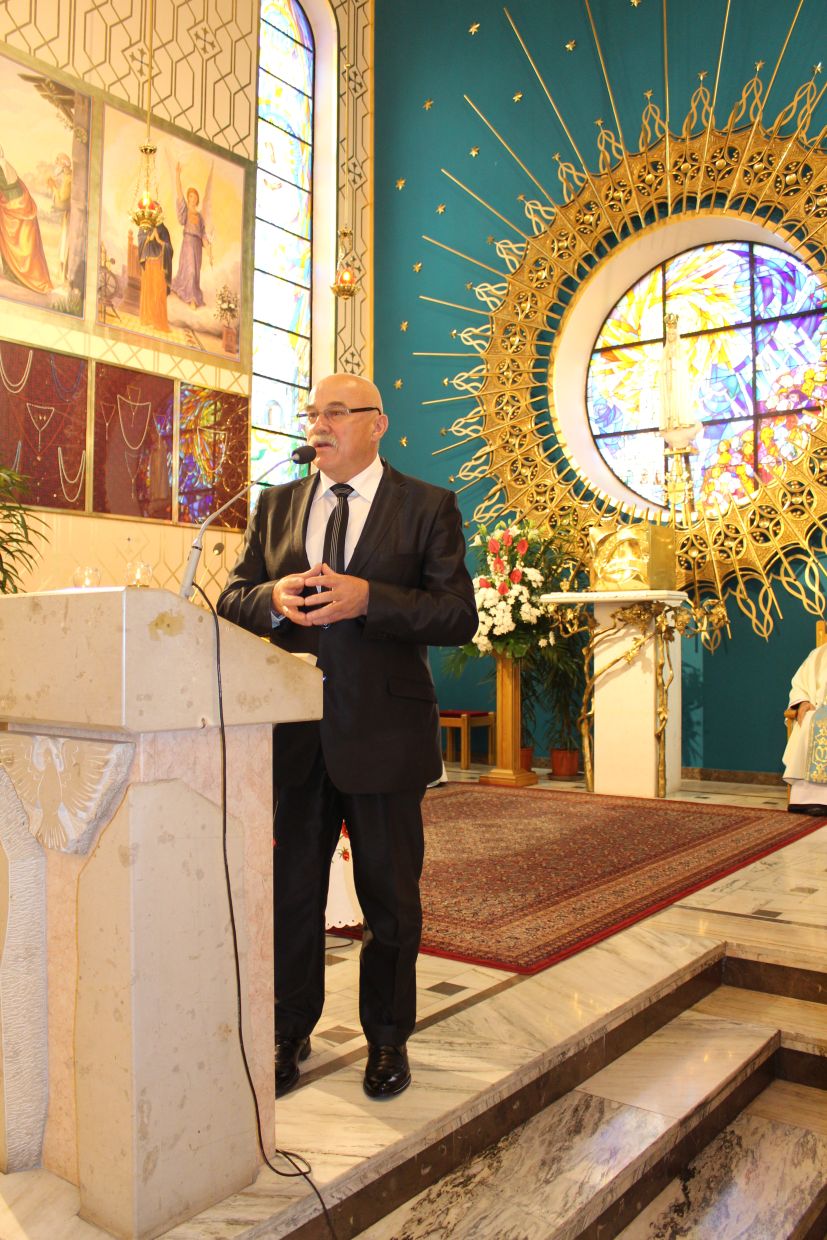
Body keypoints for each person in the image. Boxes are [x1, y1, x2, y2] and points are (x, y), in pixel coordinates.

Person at [217, 373, 478, 1099]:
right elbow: (231, 596)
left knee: (389, 898)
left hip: (384, 733)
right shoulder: (275, 505)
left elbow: (457, 615)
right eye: (312, 413)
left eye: (335, 412)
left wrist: (372, 600)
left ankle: (388, 1039)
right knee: (291, 894)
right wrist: (271, 599)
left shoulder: (426, 505)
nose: (319, 425)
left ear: (376, 424)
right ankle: (286, 1031)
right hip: (294, 735)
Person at [782, 642, 827, 814]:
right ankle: (809, 799)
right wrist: (803, 702)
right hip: (820, 709)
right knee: (809, 719)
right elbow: (799, 684)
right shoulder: (819, 655)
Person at [0, 146, 52, 294]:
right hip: (19, 207)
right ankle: (15, 275)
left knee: (22, 245)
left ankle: (28, 278)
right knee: (24, 245)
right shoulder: (6, 165)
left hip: (13, 210)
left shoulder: (2, 167)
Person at [171, 162, 211, 308]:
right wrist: (177, 176)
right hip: (188, 242)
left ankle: (188, 292)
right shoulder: (185, 210)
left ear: (197, 199)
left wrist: (209, 250)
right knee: (190, 270)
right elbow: (179, 194)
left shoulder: (199, 217)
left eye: (194, 197)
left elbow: (203, 234)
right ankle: (192, 299)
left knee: (195, 272)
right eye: (190, 196)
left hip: (197, 246)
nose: (191, 198)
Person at [137, 205, 173, 332]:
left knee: (159, 290)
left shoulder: (164, 230)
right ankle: (147, 318)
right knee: (148, 289)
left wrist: (159, 240)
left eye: (159, 211)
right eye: (154, 211)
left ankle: (158, 321)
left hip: (160, 263)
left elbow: (169, 248)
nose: (156, 213)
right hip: (148, 262)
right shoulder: (145, 226)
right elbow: (140, 239)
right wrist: (149, 238)